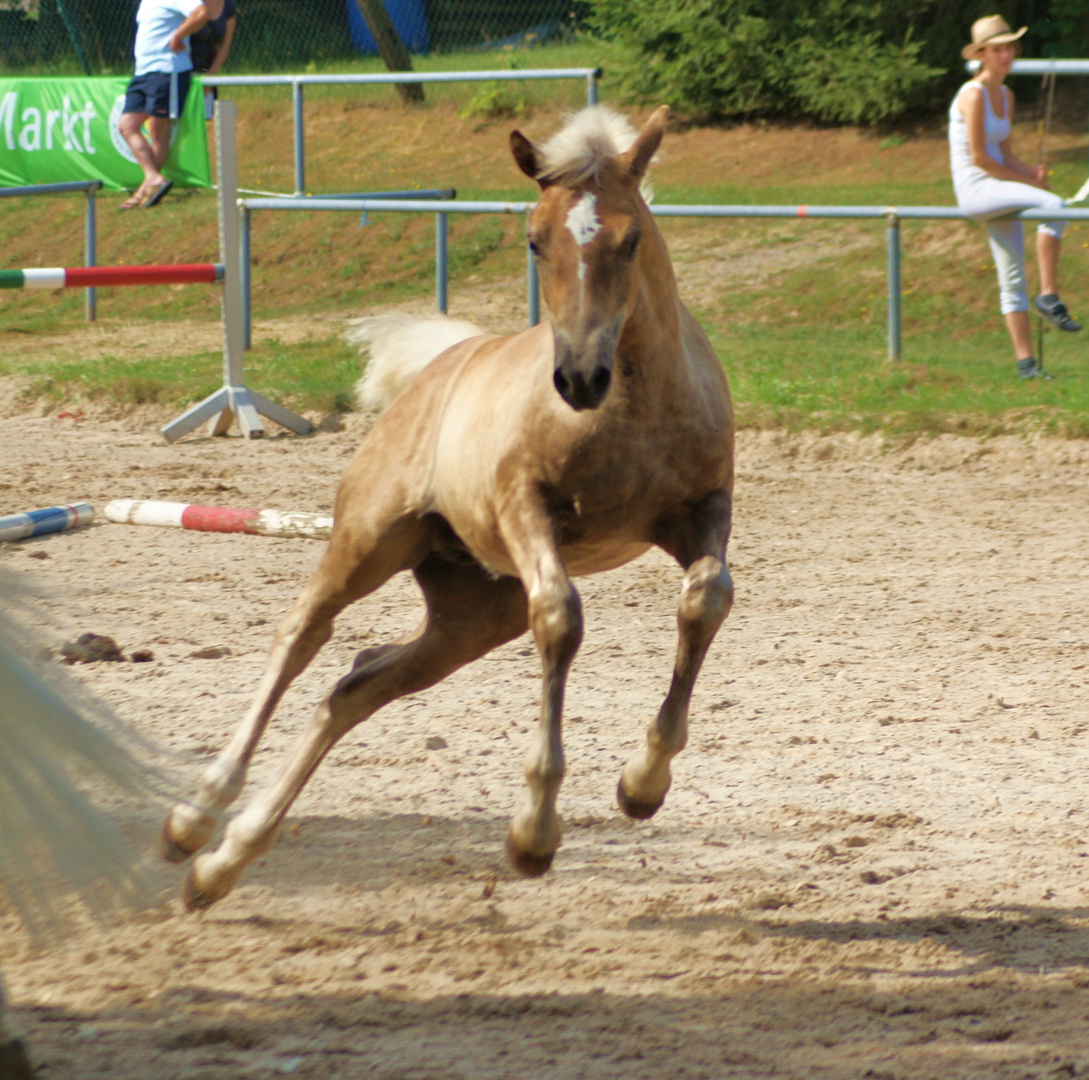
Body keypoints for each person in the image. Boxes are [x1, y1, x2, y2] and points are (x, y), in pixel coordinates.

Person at [950, 14, 1080, 380]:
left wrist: (1031, 176)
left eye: (1010, 48)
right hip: (976, 190)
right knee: (1055, 207)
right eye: (998, 49)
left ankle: (1027, 368)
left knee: (1011, 279)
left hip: (995, 188)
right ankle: (1049, 296)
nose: (1006, 55)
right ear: (981, 54)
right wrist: (1028, 185)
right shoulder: (973, 94)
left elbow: (1005, 155)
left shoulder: (1005, 95)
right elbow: (979, 158)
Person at [117, 0, 224, 210]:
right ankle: (152, 178)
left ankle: (146, 189)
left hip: (167, 70)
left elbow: (201, 13)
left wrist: (177, 36)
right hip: (142, 72)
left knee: (158, 132)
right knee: (126, 126)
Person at [189, 0, 237, 121]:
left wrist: (209, 79)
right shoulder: (187, 4)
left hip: (208, 72)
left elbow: (225, 45)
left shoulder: (228, 6)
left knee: (205, 121)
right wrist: (190, 78)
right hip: (184, 72)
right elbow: (181, 40)